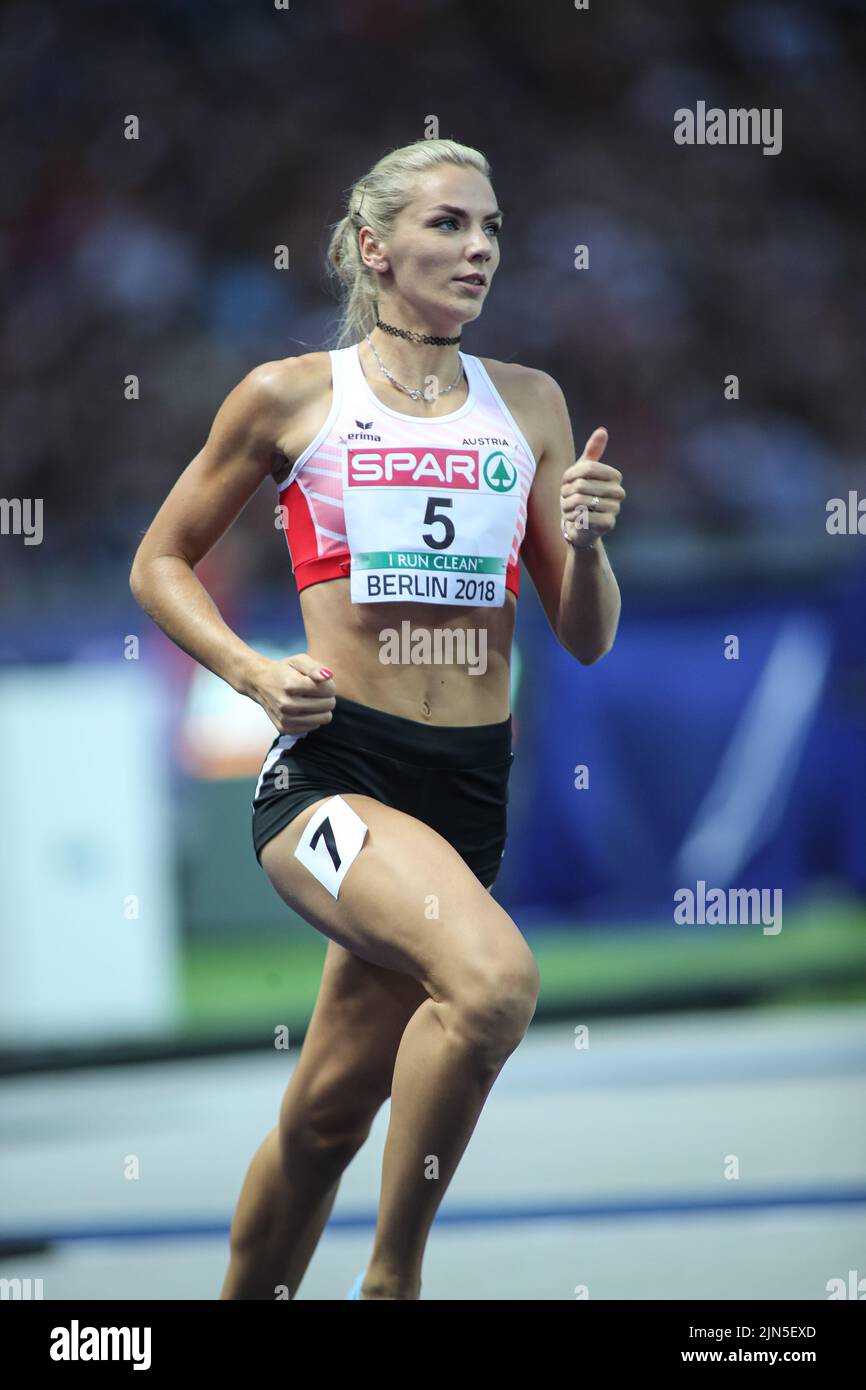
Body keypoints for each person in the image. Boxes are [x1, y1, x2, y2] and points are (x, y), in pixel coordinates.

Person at [129, 137, 625, 1300]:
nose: (479, 249)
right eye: (449, 224)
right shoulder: (292, 393)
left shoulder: (533, 405)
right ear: (374, 246)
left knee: (326, 1116)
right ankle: (391, 1281)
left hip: (463, 802)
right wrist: (252, 675)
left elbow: (586, 633)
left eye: (491, 228)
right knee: (494, 983)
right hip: (330, 783)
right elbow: (159, 564)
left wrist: (590, 542)